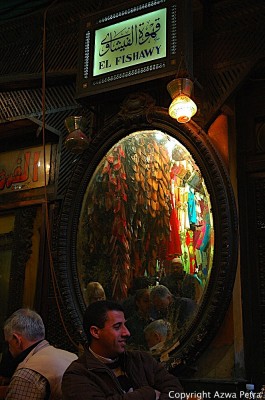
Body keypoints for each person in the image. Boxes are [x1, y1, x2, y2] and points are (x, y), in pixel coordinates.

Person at [62, 300, 184, 399]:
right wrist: (148, 393)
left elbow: (176, 391)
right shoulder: (77, 374)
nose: (127, 332)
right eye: (117, 326)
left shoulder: (141, 360)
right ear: (95, 332)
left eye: (124, 325)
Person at [3, 308, 78, 400]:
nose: (8, 348)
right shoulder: (71, 356)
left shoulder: (26, 372)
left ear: (17, 340)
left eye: (8, 343)